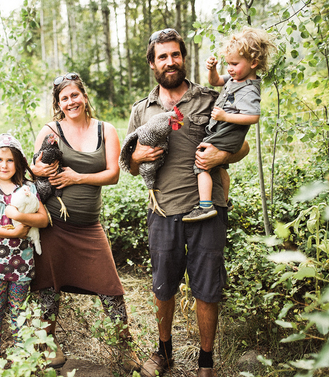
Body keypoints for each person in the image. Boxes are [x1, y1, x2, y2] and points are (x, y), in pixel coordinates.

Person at [125, 29, 249, 377]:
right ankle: (164, 352)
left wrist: (219, 156)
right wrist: (139, 157)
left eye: (175, 54)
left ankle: (206, 361)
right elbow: (131, 166)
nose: (170, 61)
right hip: (163, 210)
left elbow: (242, 146)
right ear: (152, 63)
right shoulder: (141, 110)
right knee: (163, 284)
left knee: (207, 288)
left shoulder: (210, 99)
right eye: (162, 56)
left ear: (183, 58)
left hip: (207, 209)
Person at [30, 73, 140, 372]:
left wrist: (78, 177)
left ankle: (125, 346)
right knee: (48, 288)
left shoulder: (106, 130)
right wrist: (40, 169)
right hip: (52, 224)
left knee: (111, 288)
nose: (70, 102)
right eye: (64, 98)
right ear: (58, 103)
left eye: (74, 95)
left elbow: (113, 174)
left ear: (85, 96)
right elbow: (32, 168)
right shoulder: (50, 130)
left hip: (89, 226)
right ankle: (46, 343)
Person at [183, 27, 275, 222]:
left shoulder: (249, 89)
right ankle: (224, 201)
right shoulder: (236, 79)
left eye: (234, 63)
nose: (230, 68)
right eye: (228, 64)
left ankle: (205, 206)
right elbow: (215, 81)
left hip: (228, 131)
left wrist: (225, 116)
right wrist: (212, 69)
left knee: (202, 163)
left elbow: (253, 117)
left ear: (253, 63)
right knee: (220, 167)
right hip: (224, 129)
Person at [0, 133, 49, 363]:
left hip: (22, 263)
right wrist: (14, 231)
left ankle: (20, 356)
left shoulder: (28, 187)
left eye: (9, 160)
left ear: (18, 163)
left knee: (19, 311)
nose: (4, 165)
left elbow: (43, 220)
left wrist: (19, 216)